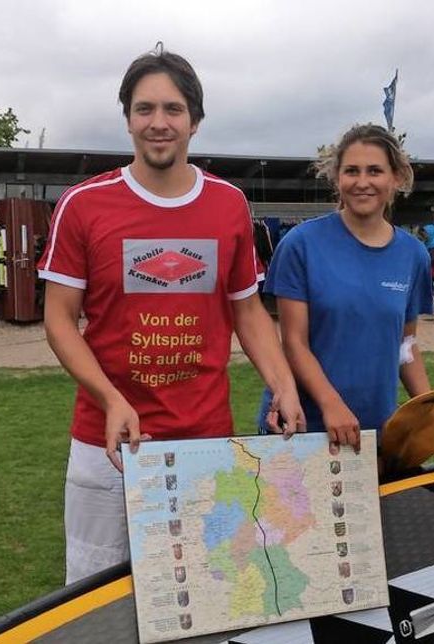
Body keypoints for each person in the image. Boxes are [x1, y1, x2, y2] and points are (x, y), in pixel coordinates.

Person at [38, 45, 304, 584]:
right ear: (127, 118)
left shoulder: (228, 203)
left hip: (204, 441)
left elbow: (247, 311)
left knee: (205, 588)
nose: (158, 123)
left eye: (173, 110)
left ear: (195, 122)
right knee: (95, 599)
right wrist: (112, 400)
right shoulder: (83, 204)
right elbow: (59, 321)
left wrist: (284, 384)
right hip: (105, 444)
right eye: (144, 109)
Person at [257, 123, 434, 477]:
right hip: (303, 430)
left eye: (375, 170)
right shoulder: (301, 245)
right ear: (337, 178)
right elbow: (294, 343)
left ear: (396, 178)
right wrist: (331, 404)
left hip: (373, 435)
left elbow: (405, 344)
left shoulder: (413, 255)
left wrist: (429, 418)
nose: (363, 182)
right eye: (352, 171)